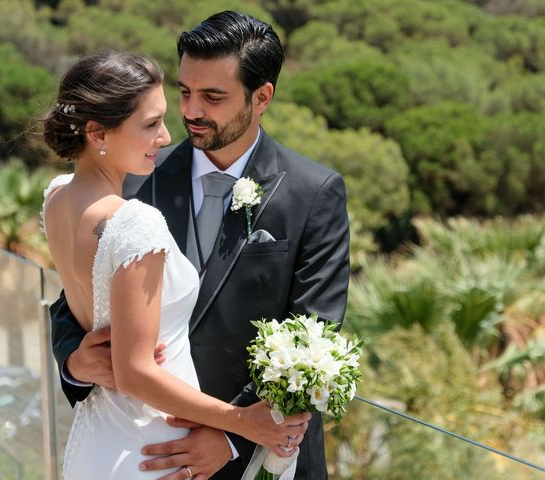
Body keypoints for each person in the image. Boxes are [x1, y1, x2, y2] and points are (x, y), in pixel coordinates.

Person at [51, 11, 350, 480]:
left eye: (213, 96)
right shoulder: (134, 176)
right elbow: (77, 294)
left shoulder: (314, 193)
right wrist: (72, 359)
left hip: (259, 454)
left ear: (262, 97)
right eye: (185, 91)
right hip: (148, 447)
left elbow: (315, 332)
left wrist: (231, 437)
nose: (191, 110)